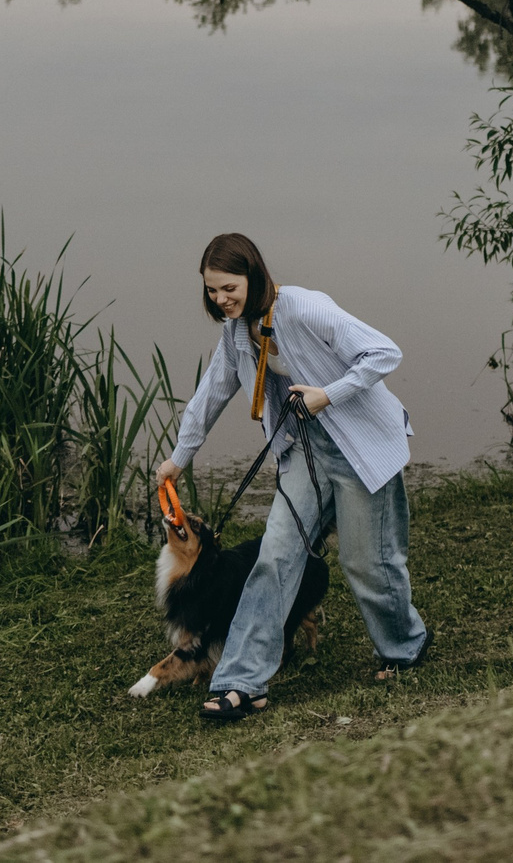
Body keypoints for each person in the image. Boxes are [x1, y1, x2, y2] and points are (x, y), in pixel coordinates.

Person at [156, 231, 433, 722]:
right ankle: (242, 682)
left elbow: (384, 353)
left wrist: (329, 393)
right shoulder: (236, 329)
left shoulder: (305, 308)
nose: (221, 300)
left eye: (229, 288)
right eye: (212, 291)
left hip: (357, 442)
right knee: (274, 558)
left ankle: (405, 646)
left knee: (367, 563)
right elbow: (212, 391)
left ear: (253, 275)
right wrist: (179, 458)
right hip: (302, 451)